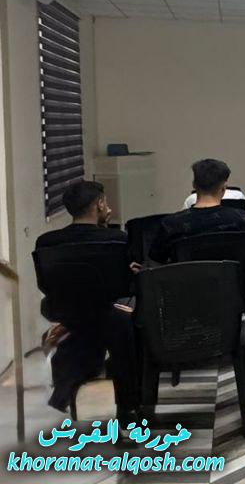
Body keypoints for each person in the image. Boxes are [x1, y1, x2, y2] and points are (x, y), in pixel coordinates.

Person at [35, 181, 139, 422]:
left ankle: (70, 376)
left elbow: (45, 284)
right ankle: (128, 405)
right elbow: (124, 285)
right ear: (100, 205)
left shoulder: (46, 242)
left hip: (67, 311)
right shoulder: (116, 239)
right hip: (107, 314)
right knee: (127, 321)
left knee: (89, 326)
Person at [153, 159, 245, 264]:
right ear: (224, 188)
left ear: (194, 185)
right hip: (233, 277)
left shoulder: (170, 224)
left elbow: (156, 262)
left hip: (187, 277)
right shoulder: (242, 219)